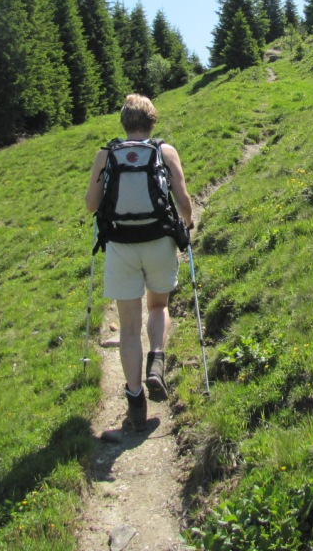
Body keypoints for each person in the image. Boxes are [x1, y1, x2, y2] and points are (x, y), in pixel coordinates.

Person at [85, 94, 194, 431]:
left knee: (128, 325)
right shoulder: (165, 151)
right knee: (159, 306)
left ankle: (135, 402)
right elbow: (183, 198)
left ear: (124, 122)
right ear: (152, 122)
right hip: (159, 239)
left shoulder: (106, 154)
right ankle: (157, 361)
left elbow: (91, 204)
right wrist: (187, 225)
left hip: (121, 244)